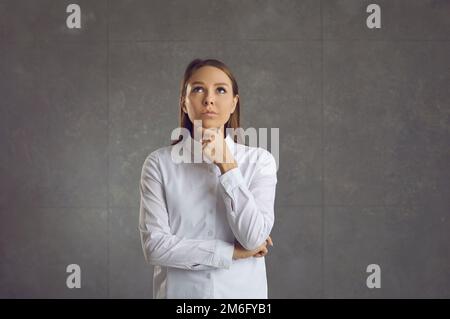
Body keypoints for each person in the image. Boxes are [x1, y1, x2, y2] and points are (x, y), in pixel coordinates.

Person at [139, 58, 278, 298]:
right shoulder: (159, 163)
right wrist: (231, 253)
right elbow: (154, 247)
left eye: (220, 90)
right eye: (198, 89)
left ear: (234, 103)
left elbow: (253, 238)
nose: (209, 99)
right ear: (184, 102)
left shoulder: (260, 161)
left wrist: (228, 166)